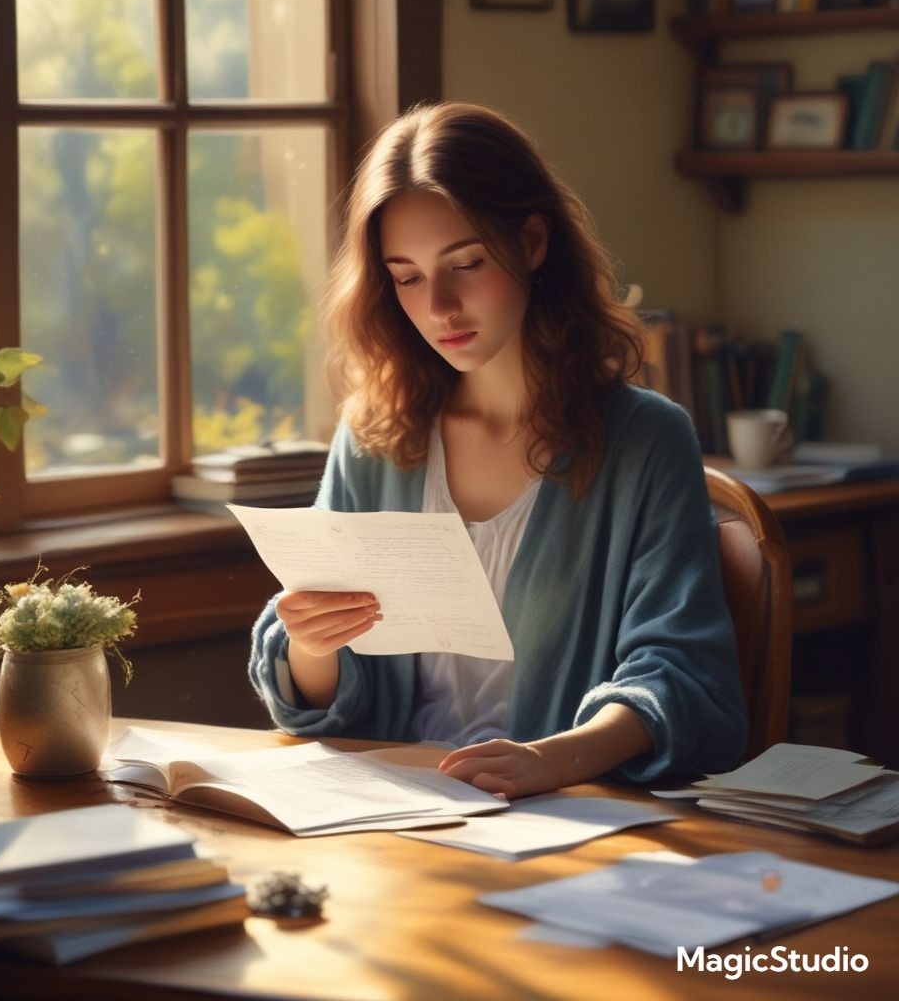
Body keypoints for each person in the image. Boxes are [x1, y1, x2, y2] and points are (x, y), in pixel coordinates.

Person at [248, 101, 747, 799]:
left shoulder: (644, 443)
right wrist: (311, 640)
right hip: (385, 815)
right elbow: (314, 703)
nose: (440, 307)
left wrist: (556, 759)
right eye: (407, 276)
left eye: (467, 263)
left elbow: (681, 675)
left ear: (534, 242)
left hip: (557, 814)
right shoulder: (374, 438)